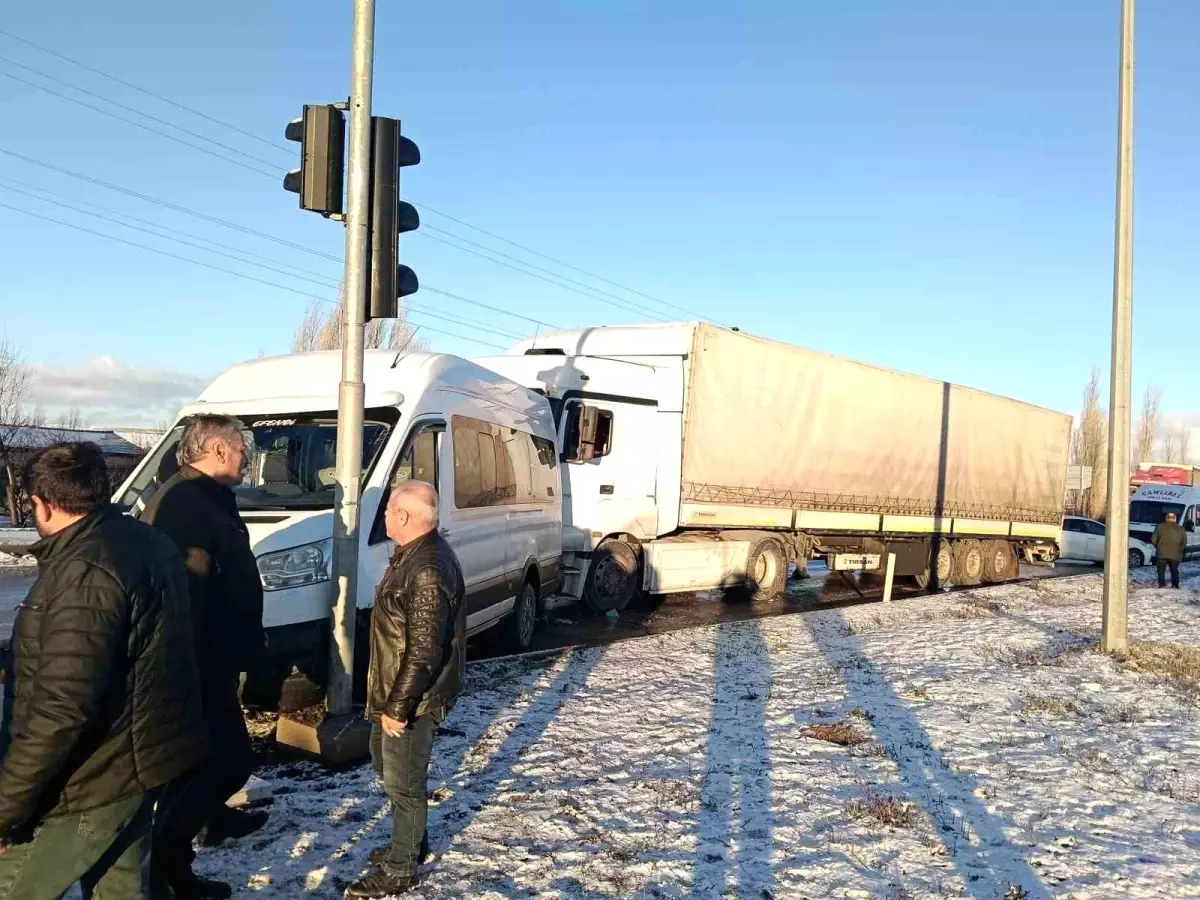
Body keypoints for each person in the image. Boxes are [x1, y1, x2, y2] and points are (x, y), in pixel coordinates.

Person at [0, 443, 205, 899]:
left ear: (42, 503)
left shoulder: (86, 570)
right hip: (140, 759)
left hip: (91, 777)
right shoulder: (140, 539)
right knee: (122, 889)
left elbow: (62, 708)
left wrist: (7, 808)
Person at [139, 415, 268, 899]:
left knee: (198, 761)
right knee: (230, 761)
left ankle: (193, 839)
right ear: (216, 449)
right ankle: (166, 858)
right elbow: (185, 594)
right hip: (193, 662)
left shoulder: (208, 496)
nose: (246, 458)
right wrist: (194, 667)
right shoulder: (183, 505)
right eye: (240, 449)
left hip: (212, 658)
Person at [347, 480, 465, 899]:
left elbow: (424, 651)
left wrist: (399, 705)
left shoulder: (428, 568)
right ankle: (410, 842)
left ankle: (401, 870)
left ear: (402, 516)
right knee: (385, 764)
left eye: (386, 511)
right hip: (394, 691)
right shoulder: (411, 555)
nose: (382, 517)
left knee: (404, 784)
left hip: (412, 697)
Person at [1151, 510, 1186, 589]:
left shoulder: (1159, 526)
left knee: (1161, 570)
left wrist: (1158, 547)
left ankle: (1161, 584)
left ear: (1166, 518)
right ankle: (1175, 585)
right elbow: (1184, 542)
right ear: (1175, 518)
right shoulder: (1181, 529)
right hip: (1175, 554)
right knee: (1174, 570)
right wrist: (1179, 550)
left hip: (1161, 553)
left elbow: (1153, 540)